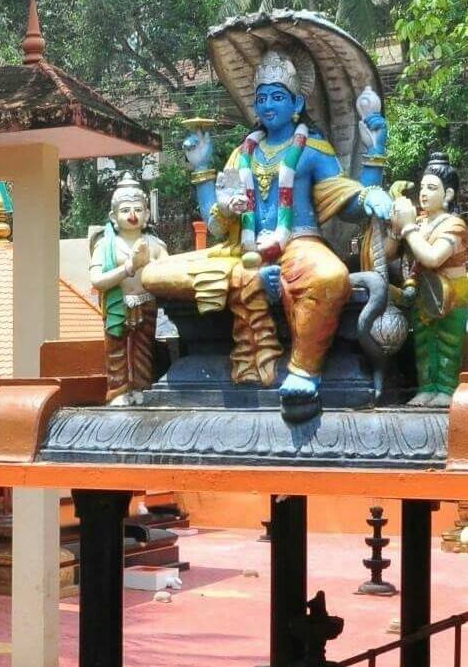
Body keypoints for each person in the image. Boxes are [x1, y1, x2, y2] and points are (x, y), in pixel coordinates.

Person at [142, 43, 393, 416]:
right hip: (242, 251)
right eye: (262, 98)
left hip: (299, 243)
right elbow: (215, 223)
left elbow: (351, 208)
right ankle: (257, 281)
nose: (268, 104)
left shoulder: (311, 149)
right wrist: (201, 168)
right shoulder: (242, 154)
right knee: (152, 273)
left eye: (278, 96)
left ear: (296, 105)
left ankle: (304, 372)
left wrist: (374, 165)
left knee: (329, 277)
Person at [389, 153, 468, 406]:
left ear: (448, 195)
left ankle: (446, 389)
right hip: (423, 293)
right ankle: (426, 387)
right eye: (422, 187)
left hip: (453, 294)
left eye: (432, 188)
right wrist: (395, 223)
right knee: (423, 342)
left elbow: (433, 258)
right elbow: (389, 252)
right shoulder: (420, 222)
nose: (424, 193)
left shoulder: (454, 225)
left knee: (448, 341)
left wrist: (409, 228)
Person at [89, 173, 167, 404]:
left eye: (137, 209)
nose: (132, 215)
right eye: (125, 210)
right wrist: (129, 267)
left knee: (144, 349)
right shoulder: (105, 245)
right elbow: (96, 280)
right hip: (117, 305)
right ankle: (118, 391)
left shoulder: (155, 244)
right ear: (113, 216)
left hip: (147, 303)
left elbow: (168, 273)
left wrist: (151, 265)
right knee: (116, 351)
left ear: (147, 213)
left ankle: (142, 388)